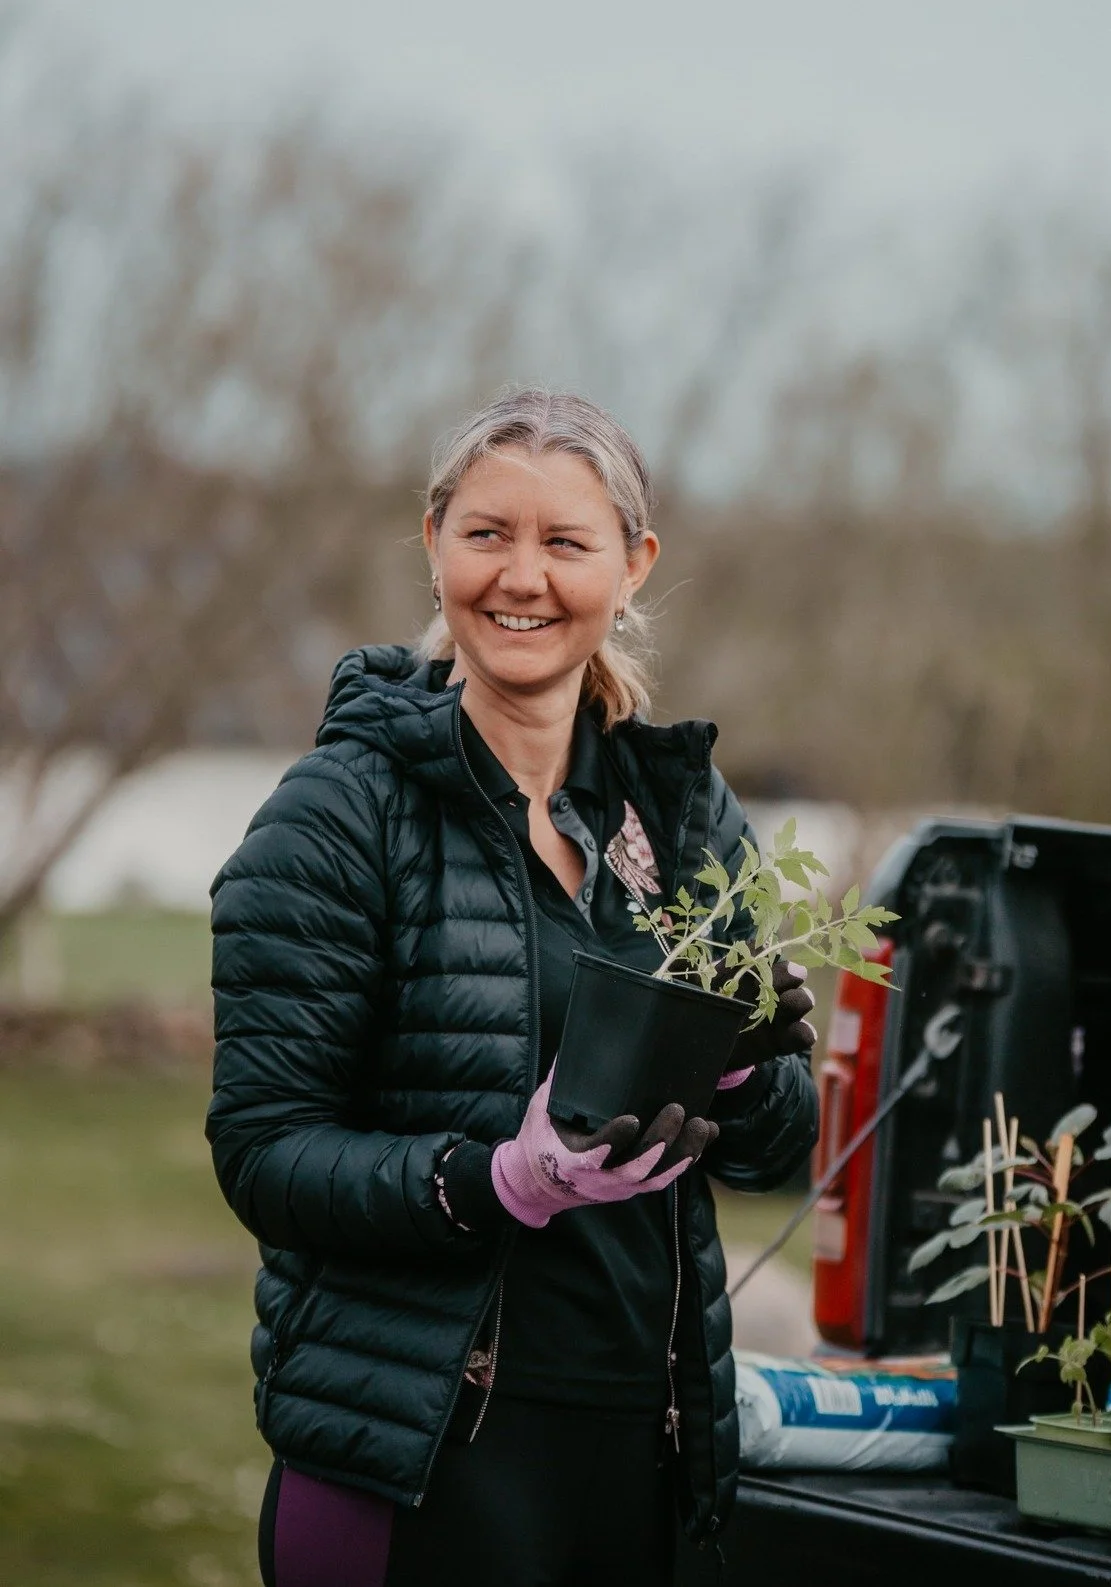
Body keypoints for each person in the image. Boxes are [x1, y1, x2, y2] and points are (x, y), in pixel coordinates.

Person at [206, 389, 818, 1587]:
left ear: (634, 566)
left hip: (638, 1453)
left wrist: (742, 1071)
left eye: (565, 542)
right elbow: (266, 1155)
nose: (519, 578)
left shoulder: (681, 815)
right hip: (415, 1455)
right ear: (432, 543)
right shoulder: (338, 817)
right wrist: (494, 1181)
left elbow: (774, 1151)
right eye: (486, 533)